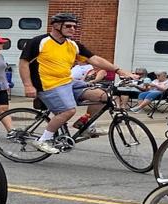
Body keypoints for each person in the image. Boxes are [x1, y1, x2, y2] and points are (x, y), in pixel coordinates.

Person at [17, 12, 131, 155]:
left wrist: (119, 70)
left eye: (74, 27)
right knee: (68, 111)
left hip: (68, 82)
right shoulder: (40, 41)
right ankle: (43, 140)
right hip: (47, 84)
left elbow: (94, 59)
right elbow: (23, 63)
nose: (73, 29)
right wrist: (28, 85)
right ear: (57, 26)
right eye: (69, 26)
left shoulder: (73, 45)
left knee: (103, 96)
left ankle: (85, 123)